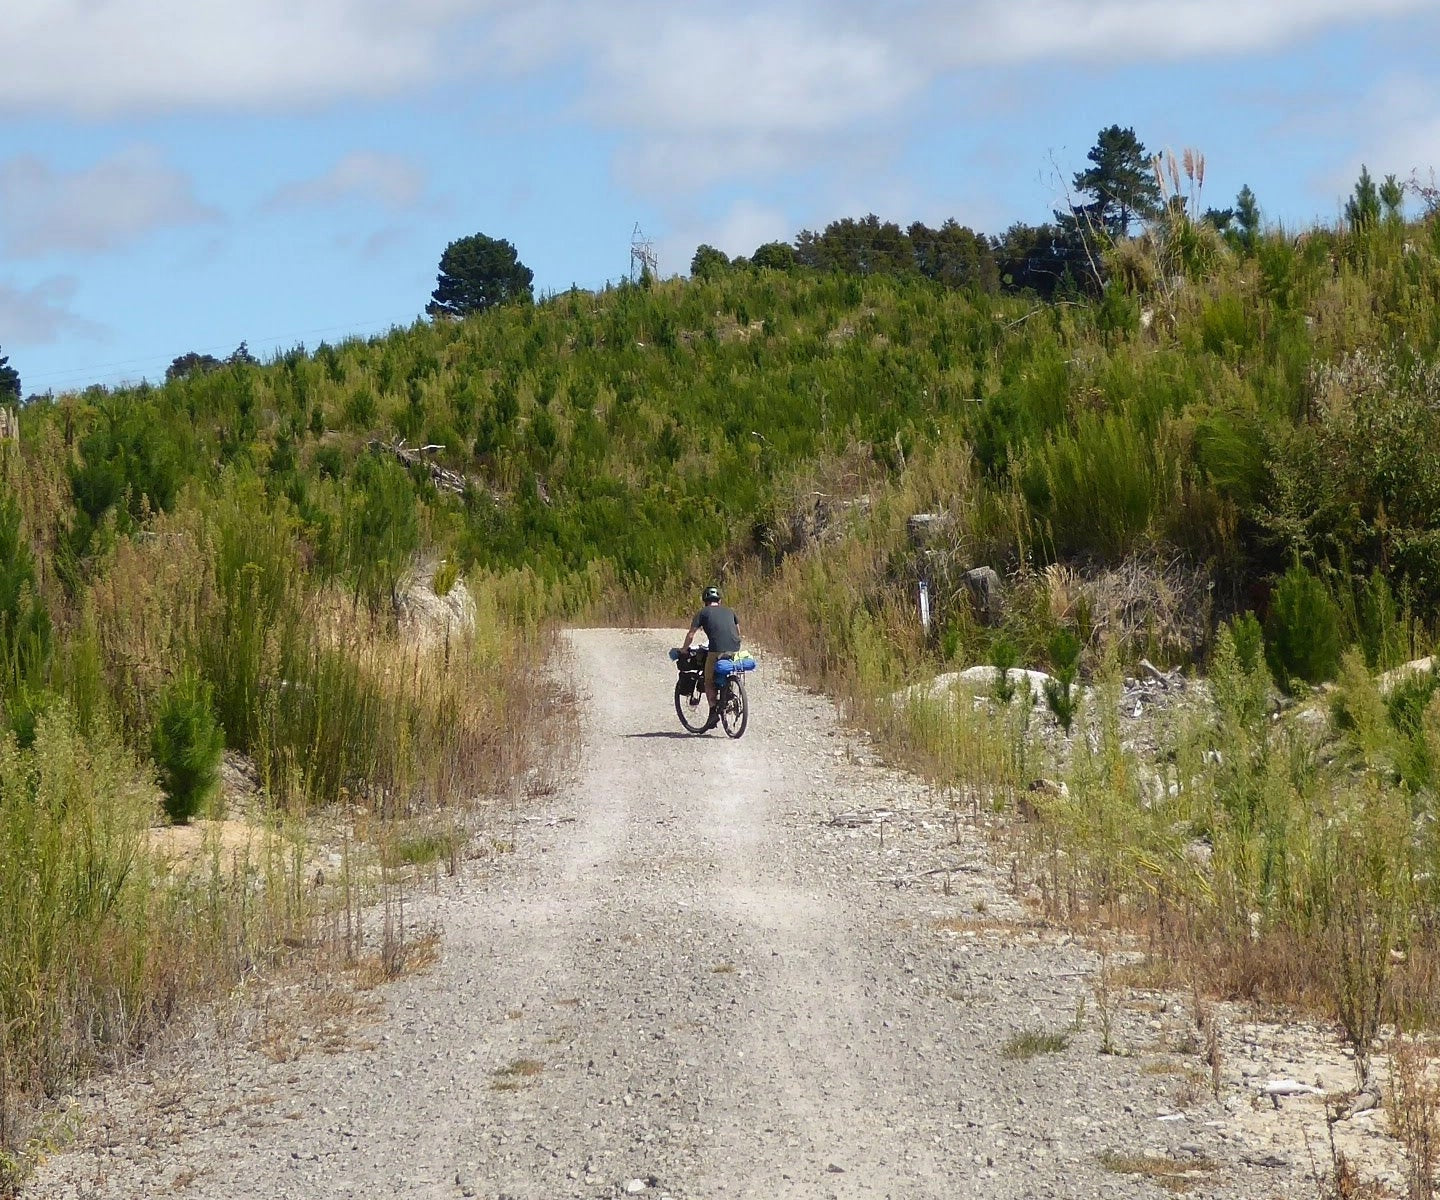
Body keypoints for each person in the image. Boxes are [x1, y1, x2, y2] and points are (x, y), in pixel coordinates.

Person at [681, 585, 741, 729]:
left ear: (705, 601)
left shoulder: (703, 613)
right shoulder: (730, 611)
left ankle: (713, 711)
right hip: (735, 647)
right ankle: (729, 691)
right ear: (719, 601)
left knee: (708, 680)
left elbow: (691, 634)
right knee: (724, 667)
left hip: (716, 649)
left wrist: (684, 649)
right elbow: (738, 631)